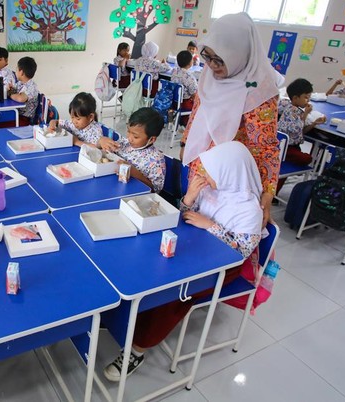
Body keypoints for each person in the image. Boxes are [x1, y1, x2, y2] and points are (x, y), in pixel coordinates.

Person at [103, 141, 263, 381]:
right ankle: (121, 316)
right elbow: (184, 216)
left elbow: (241, 252)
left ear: (229, 172)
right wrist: (188, 198)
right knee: (145, 263)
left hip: (224, 268)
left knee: (173, 292)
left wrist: (211, 226)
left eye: (211, 171)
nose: (204, 175)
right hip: (195, 246)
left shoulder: (250, 210)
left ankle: (137, 350)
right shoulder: (211, 190)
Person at [181, 12, 280, 228]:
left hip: (233, 179)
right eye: (207, 57)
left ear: (239, 54)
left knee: (222, 230)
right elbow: (198, 113)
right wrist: (185, 143)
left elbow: (265, 147)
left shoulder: (259, 90)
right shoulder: (209, 76)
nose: (213, 65)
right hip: (202, 165)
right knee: (194, 223)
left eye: (220, 59)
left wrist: (268, 192)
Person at [276, 78, 326, 195]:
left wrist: (314, 123)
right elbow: (299, 129)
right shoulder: (294, 112)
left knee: (301, 156)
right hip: (286, 148)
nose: (308, 100)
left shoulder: (287, 106)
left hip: (285, 145)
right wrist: (306, 114)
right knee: (307, 159)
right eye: (306, 97)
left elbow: (301, 131)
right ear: (295, 98)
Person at [115, 107, 166, 192]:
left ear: (152, 139)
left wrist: (135, 173)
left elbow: (155, 190)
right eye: (128, 131)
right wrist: (102, 142)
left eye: (135, 136)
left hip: (132, 193)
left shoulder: (156, 160)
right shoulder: (125, 142)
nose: (129, 138)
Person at [48, 92, 117, 151]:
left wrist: (77, 141)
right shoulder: (72, 124)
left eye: (78, 119)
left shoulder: (95, 131)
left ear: (90, 117)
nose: (74, 121)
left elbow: (96, 148)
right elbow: (55, 121)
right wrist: (52, 125)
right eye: (72, 117)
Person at [9, 56, 39, 126]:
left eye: (16, 69)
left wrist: (10, 94)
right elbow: (13, 89)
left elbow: (21, 98)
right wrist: (10, 88)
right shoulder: (20, 83)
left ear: (21, 72)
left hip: (24, 119)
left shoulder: (32, 86)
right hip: (16, 114)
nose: (15, 72)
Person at [171, 50, 199, 126]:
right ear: (190, 62)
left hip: (173, 102)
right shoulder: (189, 76)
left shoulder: (174, 72)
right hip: (184, 104)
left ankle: (180, 122)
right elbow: (194, 93)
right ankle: (187, 124)